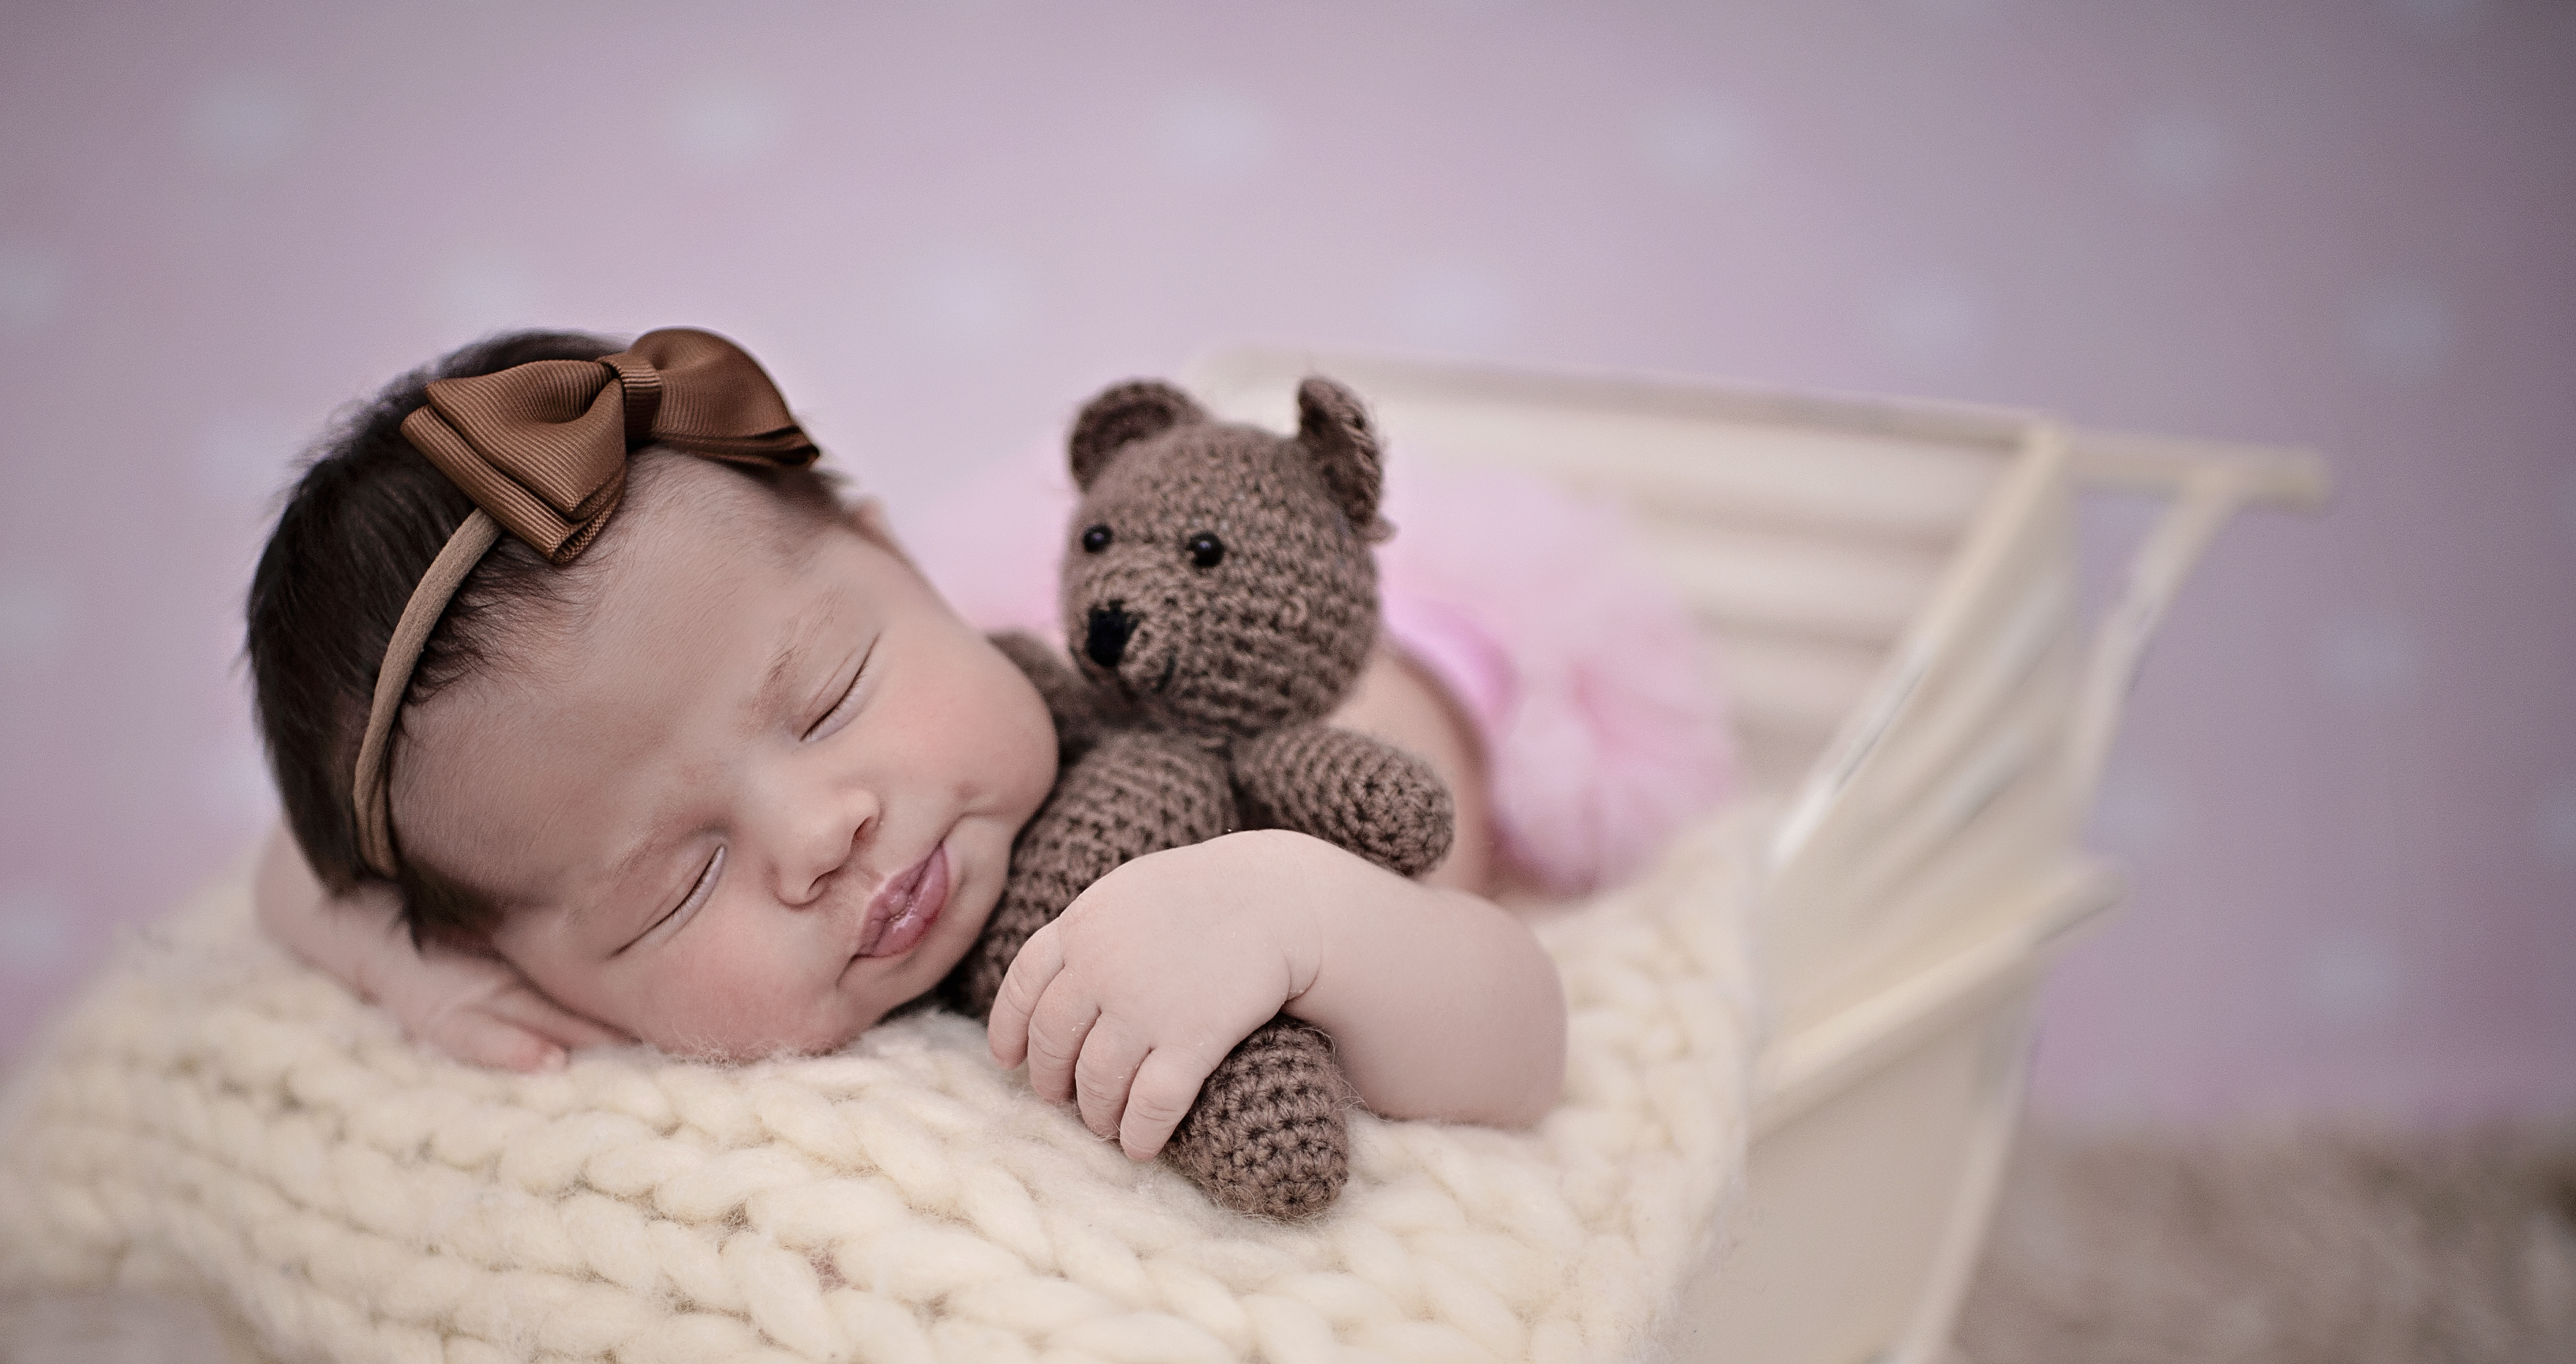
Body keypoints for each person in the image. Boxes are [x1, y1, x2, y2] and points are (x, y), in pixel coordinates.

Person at [249, 327, 1729, 1166]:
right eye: (672, 885)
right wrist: (406, 969)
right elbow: (292, 873)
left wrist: (1302, 915)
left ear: (897, 563)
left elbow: (1516, 1039)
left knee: (1383, 750)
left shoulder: (1281, 745)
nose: (820, 832)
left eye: (829, 698)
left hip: (1344, 671)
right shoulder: (507, 855)